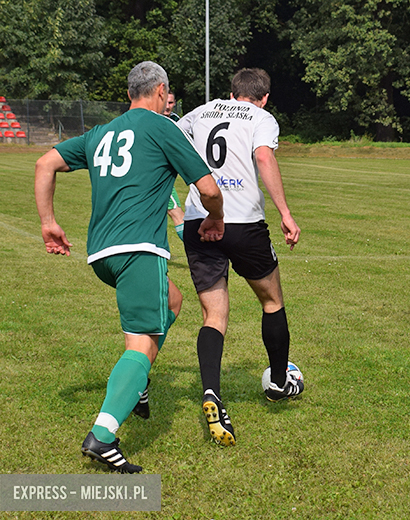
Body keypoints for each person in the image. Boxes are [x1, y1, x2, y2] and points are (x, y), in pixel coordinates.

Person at [34, 61, 224, 473]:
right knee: (141, 343)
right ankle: (102, 436)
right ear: (160, 91)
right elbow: (208, 188)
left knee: (171, 302)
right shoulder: (162, 127)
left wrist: (49, 223)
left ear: (129, 94)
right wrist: (216, 216)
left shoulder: (101, 133)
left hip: (102, 254)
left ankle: (135, 387)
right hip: (139, 250)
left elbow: (44, 164)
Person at [178, 68, 302, 447]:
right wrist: (284, 211)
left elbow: (170, 141)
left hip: (199, 220)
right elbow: (263, 157)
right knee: (271, 300)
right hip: (243, 224)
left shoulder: (200, 112)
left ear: (231, 93)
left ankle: (212, 393)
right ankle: (280, 382)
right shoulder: (262, 118)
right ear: (263, 98)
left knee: (213, 315)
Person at [163, 91, 186, 240]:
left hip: (167, 175)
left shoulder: (177, 121)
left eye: (171, 103)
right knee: (177, 214)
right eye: (165, 102)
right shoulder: (150, 119)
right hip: (157, 177)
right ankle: (198, 253)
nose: (167, 106)